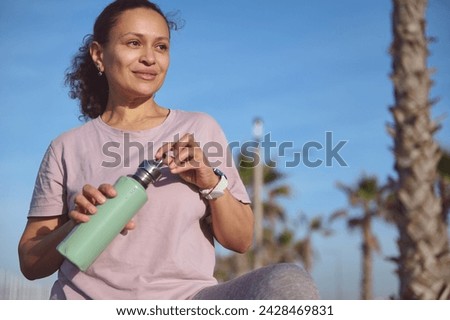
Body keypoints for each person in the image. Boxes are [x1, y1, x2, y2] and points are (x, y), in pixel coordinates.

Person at [18, 0, 319, 300]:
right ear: (99, 55)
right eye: (134, 43)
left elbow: (241, 240)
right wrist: (76, 221)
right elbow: (30, 263)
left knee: (287, 282)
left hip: (185, 303)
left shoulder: (199, 129)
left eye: (161, 47)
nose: (150, 58)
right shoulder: (66, 147)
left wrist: (211, 183)